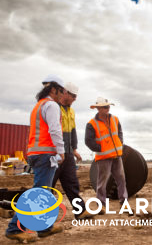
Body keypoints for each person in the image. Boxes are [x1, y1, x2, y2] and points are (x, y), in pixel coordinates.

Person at [5, 75, 65, 242]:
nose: (62, 95)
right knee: (38, 194)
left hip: (37, 153)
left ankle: (45, 228)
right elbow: (54, 130)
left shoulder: (39, 106)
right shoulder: (51, 105)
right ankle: (13, 229)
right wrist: (61, 151)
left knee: (43, 193)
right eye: (61, 91)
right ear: (54, 89)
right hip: (45, 154)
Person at [51, 82, 94, 220]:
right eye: (73, 96)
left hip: (68, 153)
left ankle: (80, 211)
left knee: (71, 183)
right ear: (65, 93)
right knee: (47, 185)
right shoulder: (54, 108)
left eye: (76, 97)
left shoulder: (71, 111)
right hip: (54, 153)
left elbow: (73, 131)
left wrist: (74, 149)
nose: (75, 99)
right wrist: (57, 150)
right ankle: (36, 216)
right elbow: (53, 131)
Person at [85, 97, 127, 214]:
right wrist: (101, 148)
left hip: (117, 155)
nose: (107, 108)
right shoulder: (91, 124)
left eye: (108, 106)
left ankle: (124, 203)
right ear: (98, 108)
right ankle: (101, 205)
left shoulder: (115, 119)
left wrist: (120, 142)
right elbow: (88, 141)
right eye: (104, 106)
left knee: (121, 179)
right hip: (103, 157)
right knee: (102, 182)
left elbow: (119, 133)